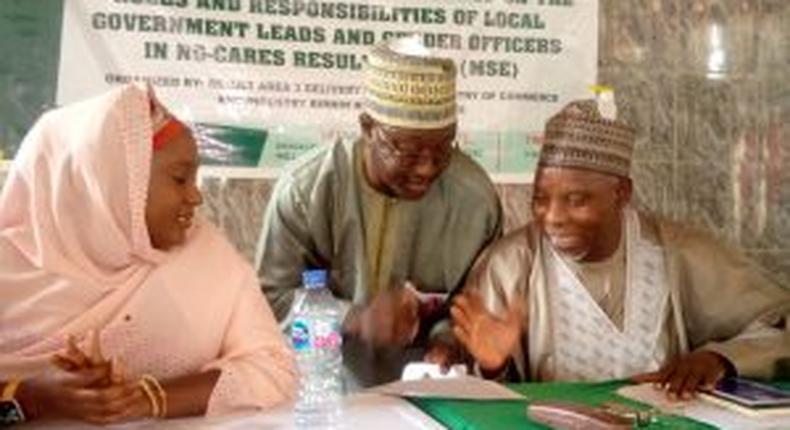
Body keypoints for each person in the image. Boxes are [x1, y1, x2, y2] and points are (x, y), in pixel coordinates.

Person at [443, 95, 790, 398]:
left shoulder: (679, 251)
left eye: (576, 200)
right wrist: (493, 366)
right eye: (541, 199)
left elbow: (778, 321)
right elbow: (469, 391)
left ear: (622, 193)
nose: (553, 217)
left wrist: (720, 359)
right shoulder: (509, 265)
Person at [0, 83, 296, 426]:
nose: (196, 197)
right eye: (180, 178)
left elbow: (273, 368)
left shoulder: (207, 257)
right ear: (107, 185)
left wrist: (146, 398)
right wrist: (32, 397)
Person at [256, 36, 502, 388]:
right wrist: (353, 319)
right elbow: (271, 304)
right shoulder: (306, 190)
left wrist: (449, 340)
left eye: (443, 147)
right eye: (409, 152)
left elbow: (477, 303)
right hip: (321, 395)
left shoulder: (476, 201)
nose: (427, 169)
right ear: (368, 128)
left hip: (430, 397)